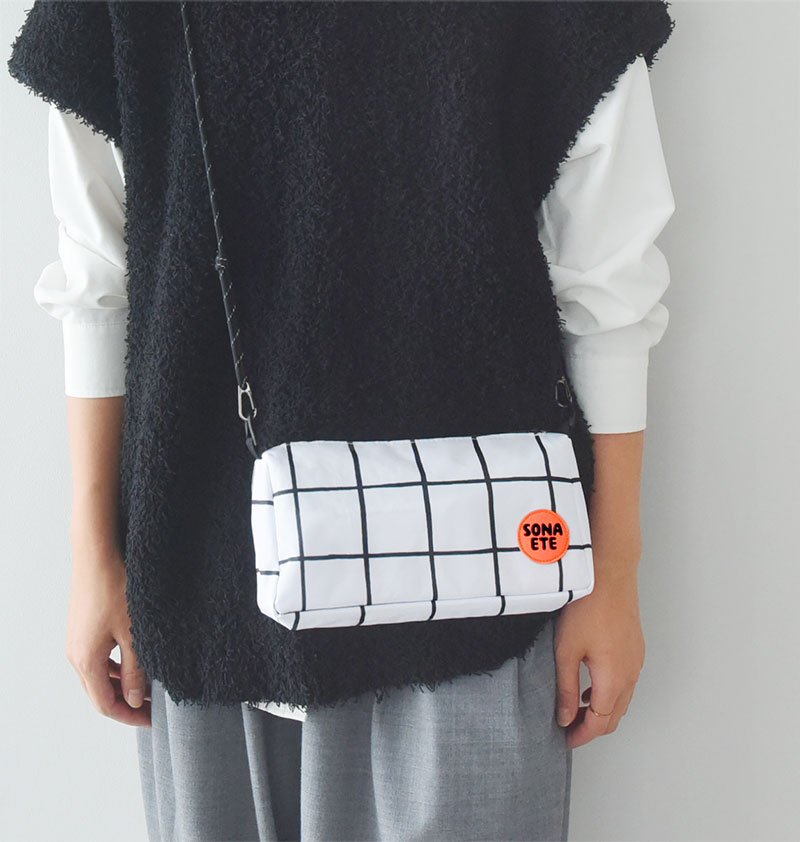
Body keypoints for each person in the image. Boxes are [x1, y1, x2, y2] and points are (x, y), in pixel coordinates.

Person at [7, 2, 676, 839]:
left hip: (486, 583)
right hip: (206, 571)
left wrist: (613, 569)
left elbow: (609, 278)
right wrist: (93, 555)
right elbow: (97, 276)